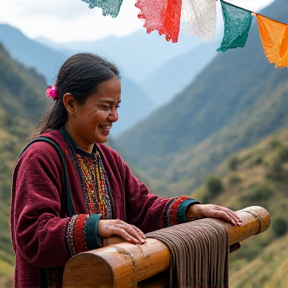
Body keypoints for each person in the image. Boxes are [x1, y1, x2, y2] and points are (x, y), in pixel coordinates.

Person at [10, 53, 242, 288]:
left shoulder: (109, 160)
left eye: (116, 107)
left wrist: (192, 210)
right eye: (105, 107)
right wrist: (97, 228)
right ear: (71, 104)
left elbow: (142, 207)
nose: (114, 117)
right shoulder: (41, 156)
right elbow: (33, 234)